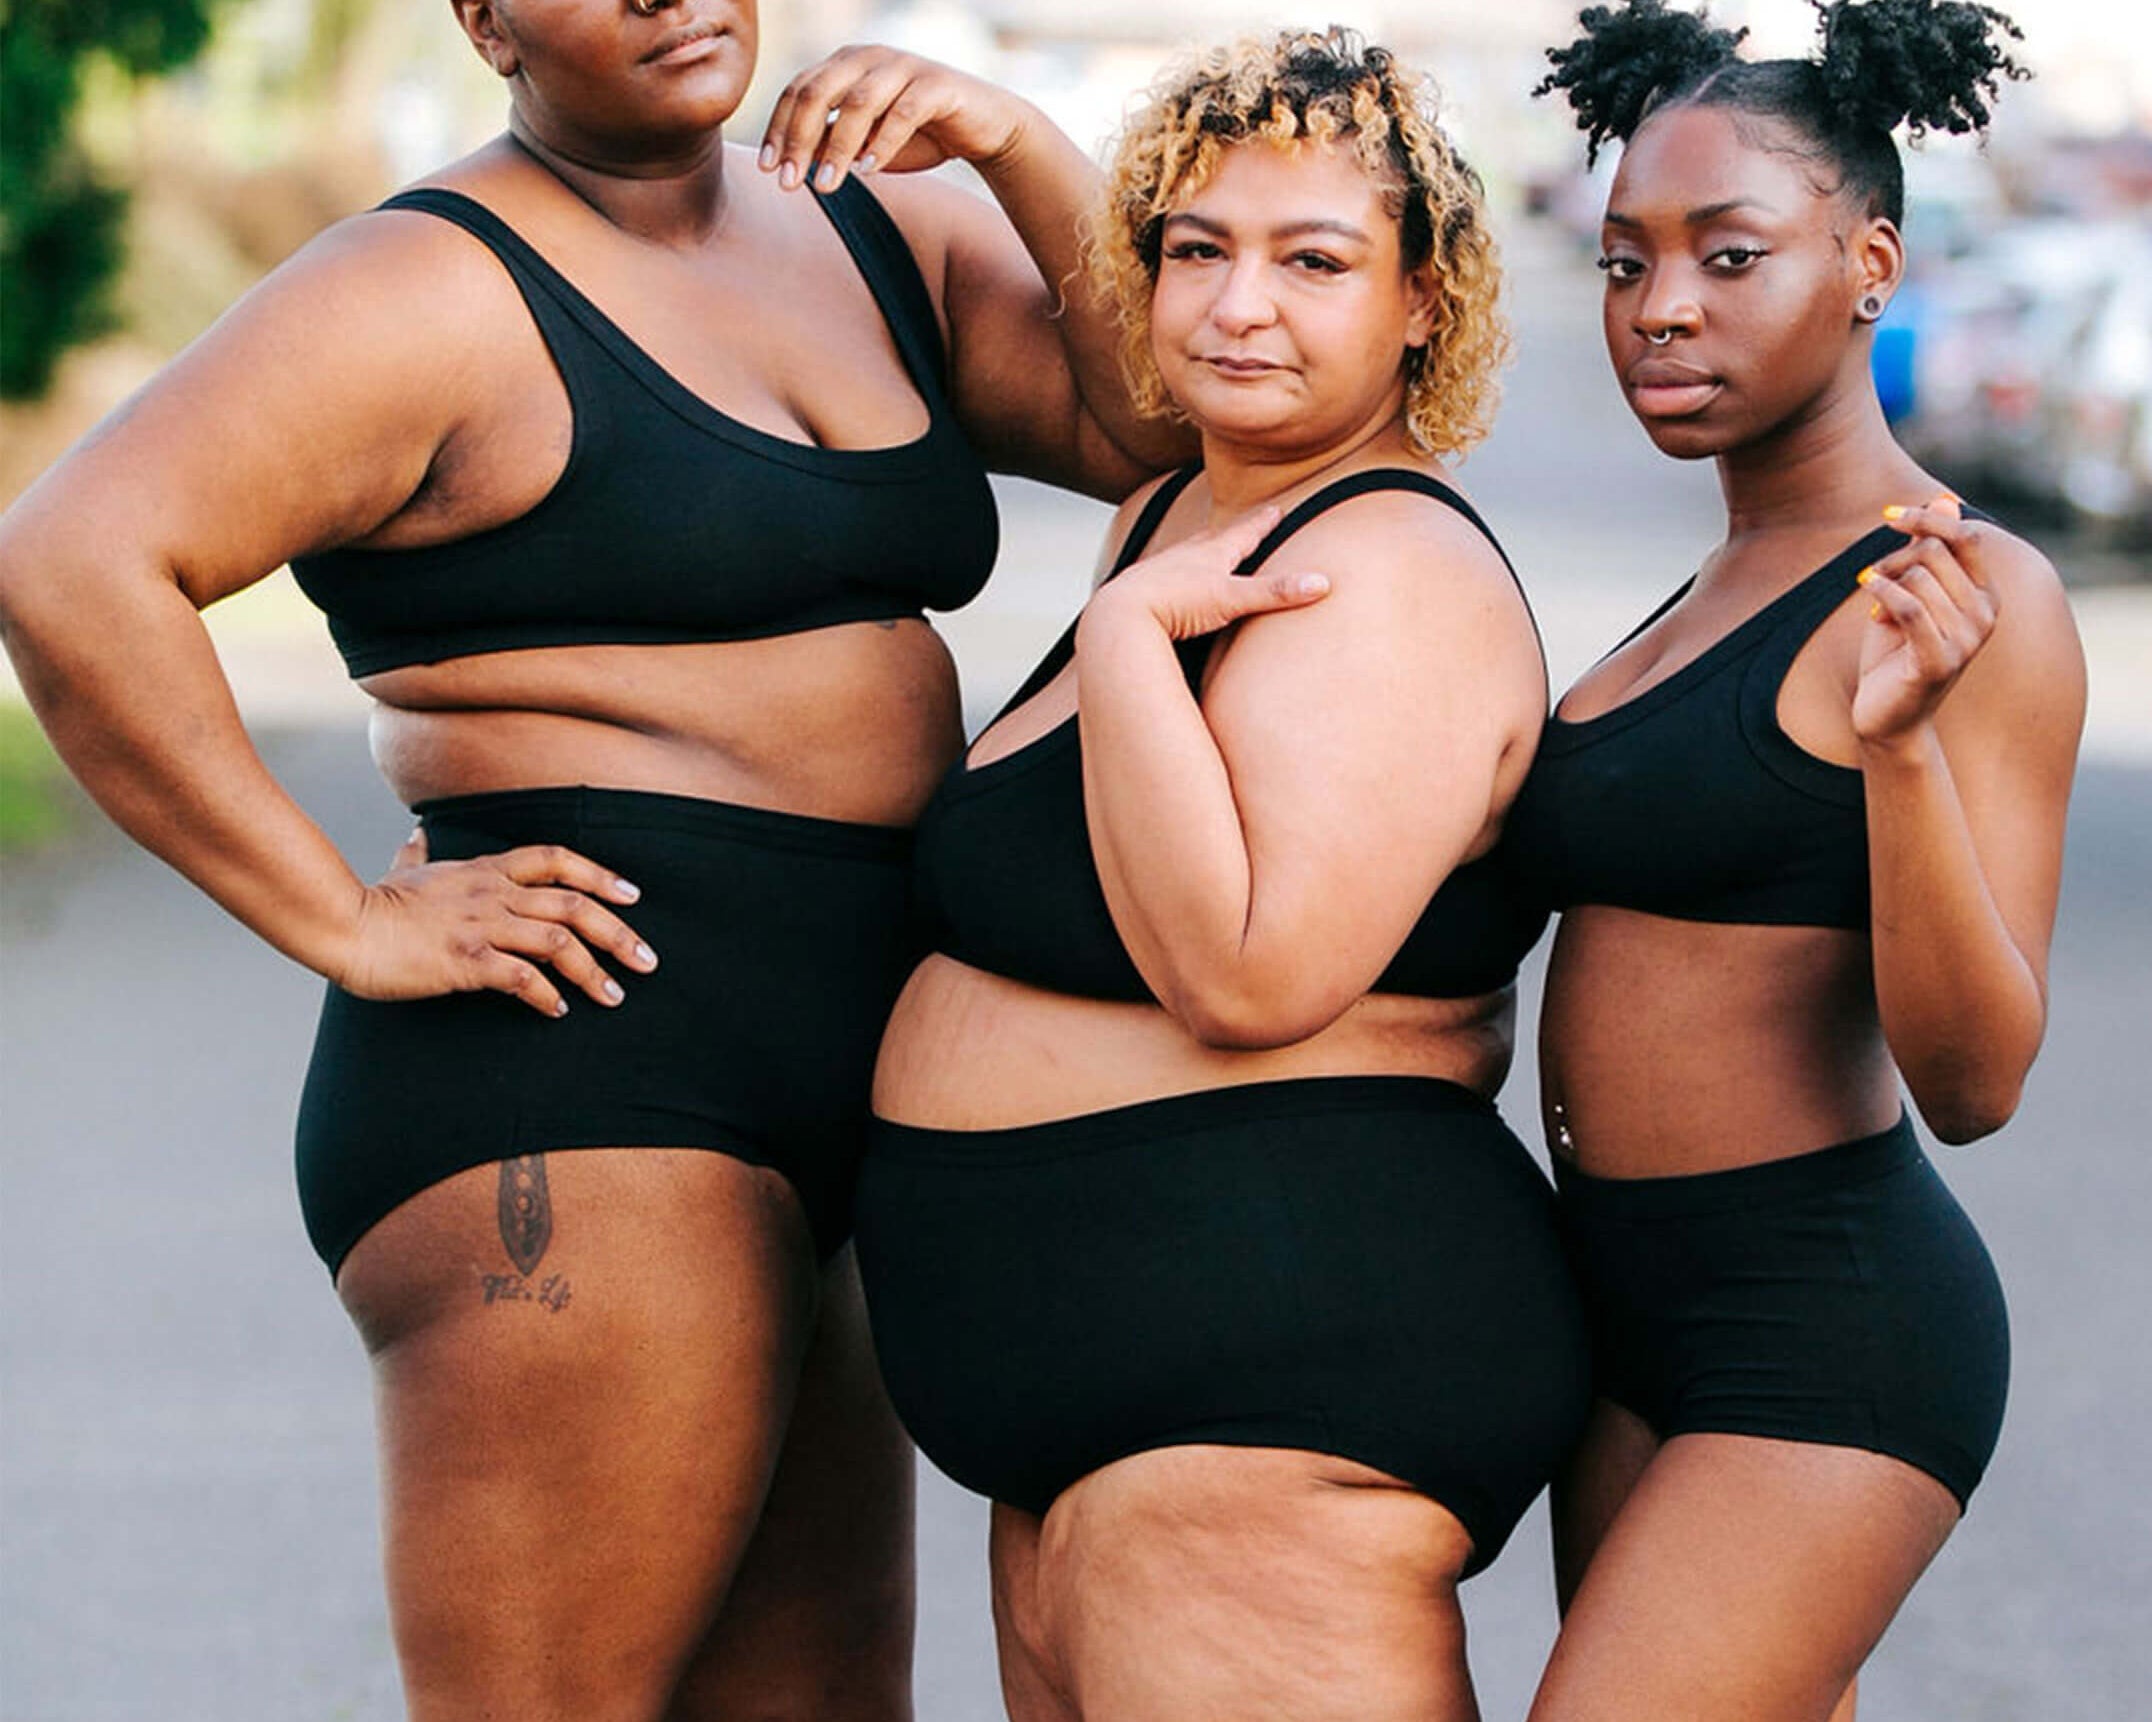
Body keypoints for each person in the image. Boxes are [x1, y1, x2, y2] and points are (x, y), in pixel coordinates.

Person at [0, 3, 1182, 1717]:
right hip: (589, 1060)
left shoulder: (872, 223)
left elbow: (1152, 424)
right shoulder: (424, 287)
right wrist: (341, 917)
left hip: (852, 1067)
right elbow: (72, 561)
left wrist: (1015, 142)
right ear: (483, 16)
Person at [852, 30, 1590, 1720]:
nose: (1237, 305)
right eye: (1197, 249)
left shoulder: (1389, 566)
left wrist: (1119, 651)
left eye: (1313, 260)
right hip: (1110, 1407)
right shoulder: (1182, 512)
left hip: (1271, 1392)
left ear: (1423, 300)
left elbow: (1250, 972)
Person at [1515, 3, 2085, 1718]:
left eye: (1728, 253)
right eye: (1624, 262)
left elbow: (1977, 1076)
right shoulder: (1695, 602)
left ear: (1869, 264)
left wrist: (1899, 746)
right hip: (1616, 1311)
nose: (1660, 305)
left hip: (1818, 1320)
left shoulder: (1970, 593)